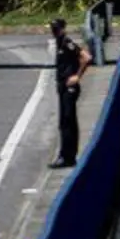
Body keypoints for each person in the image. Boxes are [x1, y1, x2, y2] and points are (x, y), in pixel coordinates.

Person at [49, 18, 92, 169]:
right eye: (53, 29)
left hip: (69, 87)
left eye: (56, 28)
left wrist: (77, 76)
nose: (54, 31)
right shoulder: (59, 43)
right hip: (63, 87)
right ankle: (68, 156)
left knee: (67, 122)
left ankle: (67, 157)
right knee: (66, 122)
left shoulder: (67, 43)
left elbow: (86, 57)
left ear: (63, 29)